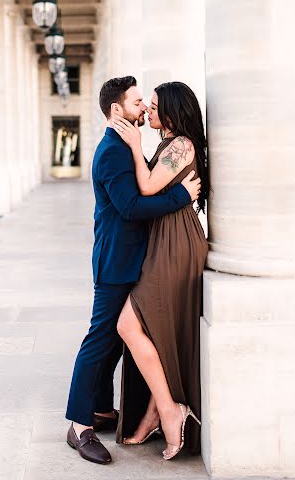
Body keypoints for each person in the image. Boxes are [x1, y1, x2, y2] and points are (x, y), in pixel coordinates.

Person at [65, 76, 201, 465]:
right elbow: (130, 208)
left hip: (141, 257)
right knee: (100, 339)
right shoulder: (113, 151)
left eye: (147, 102)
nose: (143, 108)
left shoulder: (130, 146)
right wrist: (181, 196)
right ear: (117, 110)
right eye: (138, 102)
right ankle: (79, 426)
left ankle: (101, 410)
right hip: (117, 260)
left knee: (115, 338)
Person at [111, 81, 209, 460]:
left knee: (128, 325)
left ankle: (170, 411)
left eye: (153, 106)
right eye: (146, 105)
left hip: (177, 244)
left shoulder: (182, 143)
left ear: (171, 111)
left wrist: (135, 147)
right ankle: (155, 412)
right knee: (157, 329)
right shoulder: (169, 144)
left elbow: (149, 187)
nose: (148, 112)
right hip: (164, 242)